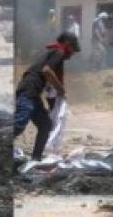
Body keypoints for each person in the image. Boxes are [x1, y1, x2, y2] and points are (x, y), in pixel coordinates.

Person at [14, 33, 80, 161]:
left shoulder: (53, 52)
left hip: (33, 93)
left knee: (45, 125)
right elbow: (46, 70)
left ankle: (36, 159)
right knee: (18, 125)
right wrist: (61, 89)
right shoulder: (59, 52)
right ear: (67, 45)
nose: (72, 54)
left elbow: (49, 85)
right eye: (73, 49)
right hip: (29, 90)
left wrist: (53, 104)